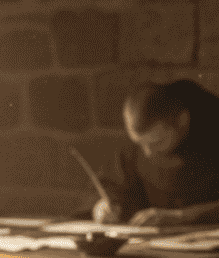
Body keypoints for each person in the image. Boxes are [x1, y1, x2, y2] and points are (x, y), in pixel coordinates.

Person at [93, 79, 219, 226]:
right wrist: (104, 207)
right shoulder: (141, 143)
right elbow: (116, 188)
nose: (148, 153)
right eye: (139, 144)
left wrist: (183, 216)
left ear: (183, 121)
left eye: (157, 142)